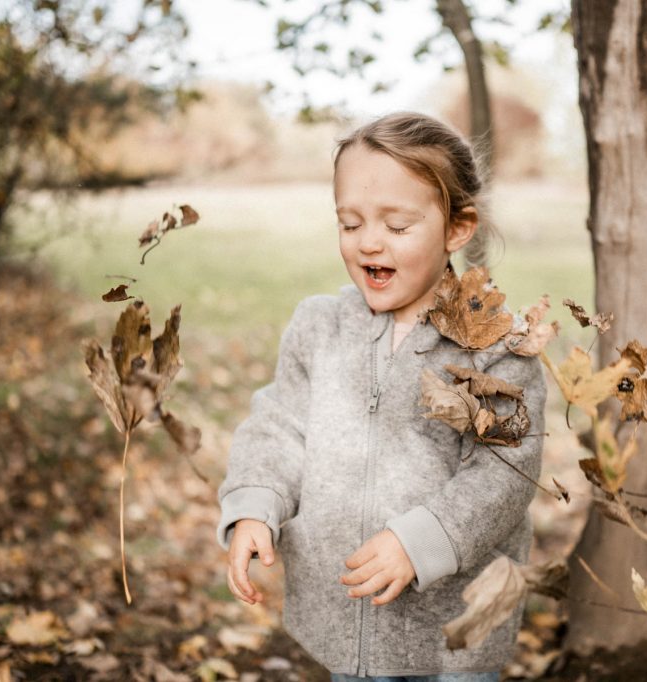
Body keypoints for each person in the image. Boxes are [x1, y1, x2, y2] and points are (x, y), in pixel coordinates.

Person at [216, 111, 547, 681]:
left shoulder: (495, 346)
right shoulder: (321, 327)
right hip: (346, 613)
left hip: (455, 630)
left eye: (397, 226)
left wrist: (422, 541)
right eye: (350, 224)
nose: (369, 241)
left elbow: (504, 472)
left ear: (457, 228)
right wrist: (255, 504)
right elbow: (280, 429)